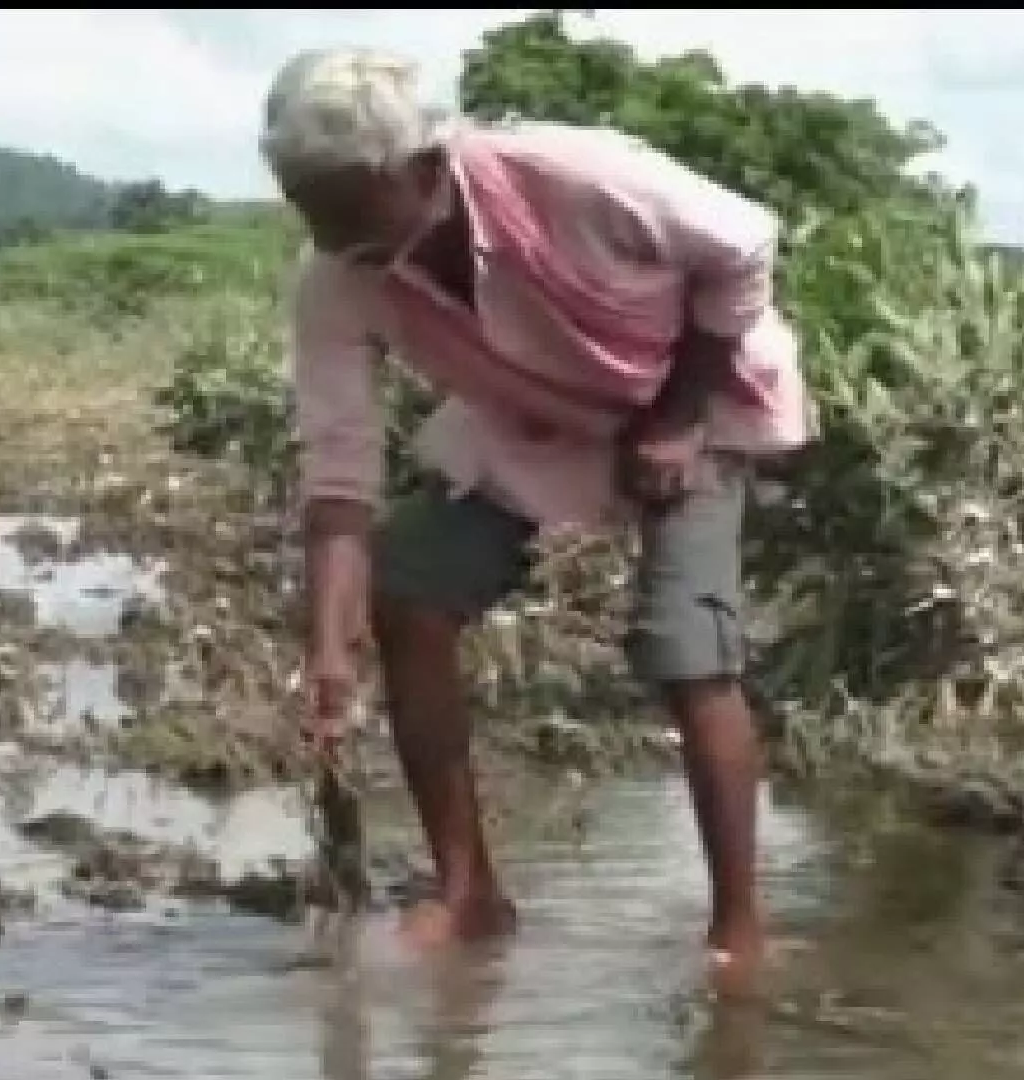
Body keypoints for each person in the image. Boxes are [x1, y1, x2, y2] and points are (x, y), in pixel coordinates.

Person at [260, 47, 815, 989]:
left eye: (347, 205)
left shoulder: (573, 173)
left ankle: (739, 931)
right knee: (408, 593)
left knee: (686, 650)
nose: (330, 236)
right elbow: (340, 467)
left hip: (695, 392)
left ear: (424, 170)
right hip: (533, 414)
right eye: (308, 206)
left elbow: (743, 246)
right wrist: (327, 648)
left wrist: (678, 419)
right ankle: (470, 892)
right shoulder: (337, 271)